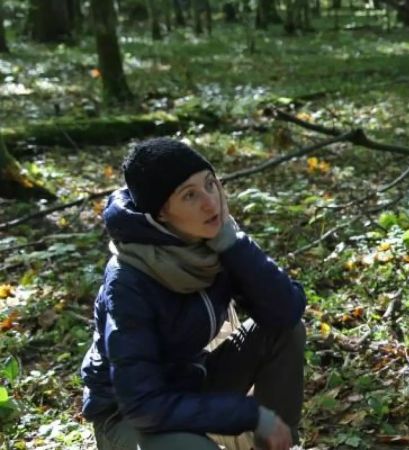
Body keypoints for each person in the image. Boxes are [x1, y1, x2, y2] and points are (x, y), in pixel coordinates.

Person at [79, 138, 307, 450]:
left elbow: (286, 311)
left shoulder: (212, 240)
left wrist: (235, 245)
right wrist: (251, 415)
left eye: (210, 184)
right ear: (161, 213)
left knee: (285, 332)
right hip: (128, 416)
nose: (210, 203)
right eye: (190, 195)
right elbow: (143, 406)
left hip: (189, 382)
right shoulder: (129, 279)